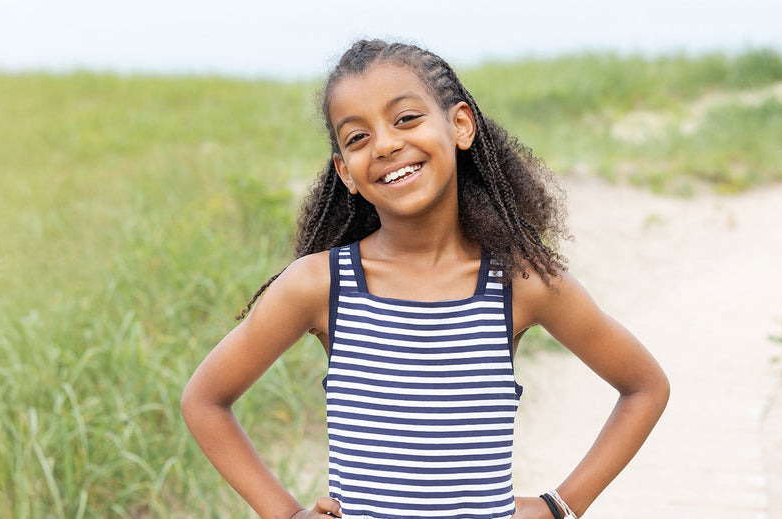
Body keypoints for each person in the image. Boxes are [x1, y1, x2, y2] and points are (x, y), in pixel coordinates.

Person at [180, 39, 670, 519]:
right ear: (344, 171)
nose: (387, 144)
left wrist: (559, 507)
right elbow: (205, 401)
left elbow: (645, 387)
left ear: (460, 125)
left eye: (406, 119)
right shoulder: (320, 285)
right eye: (357, 138)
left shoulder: (519, 282)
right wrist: (286, 514)